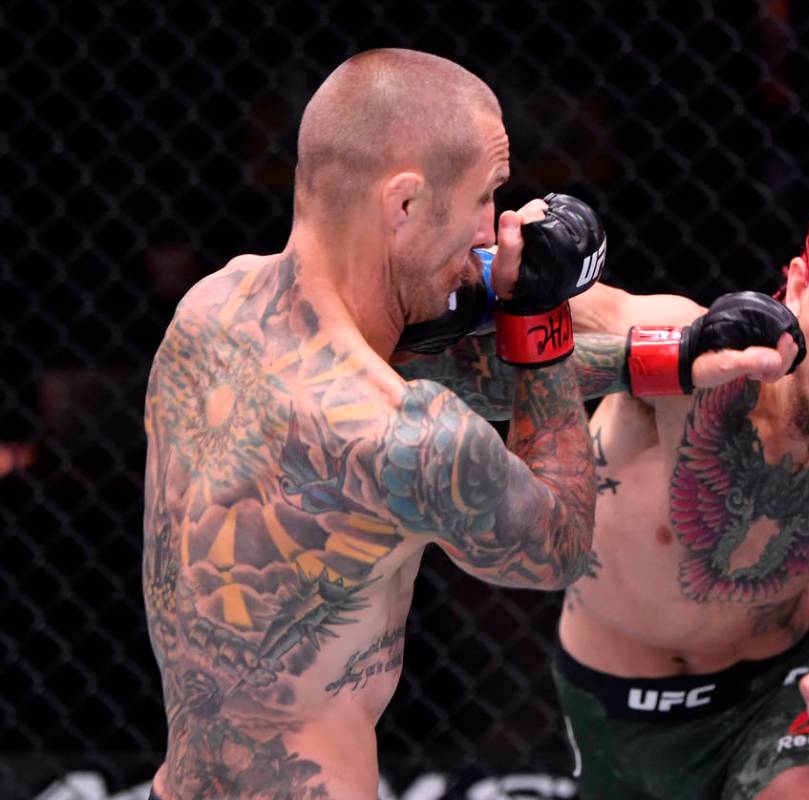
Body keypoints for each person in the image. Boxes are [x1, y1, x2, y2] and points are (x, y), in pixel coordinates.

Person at [397, 170, 809, 798]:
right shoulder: (696, 354)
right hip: (612, 702)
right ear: (797, 286)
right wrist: (508, 262)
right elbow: (492, 312)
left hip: (782, 685)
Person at [141, 48, 617, 800]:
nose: (491, 233)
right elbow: (556, 546)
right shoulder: (413, 438)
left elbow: (419, 372)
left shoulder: (209, 309)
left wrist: (667, 357)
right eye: (485, 198)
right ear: (403, 204)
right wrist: (541, 318)